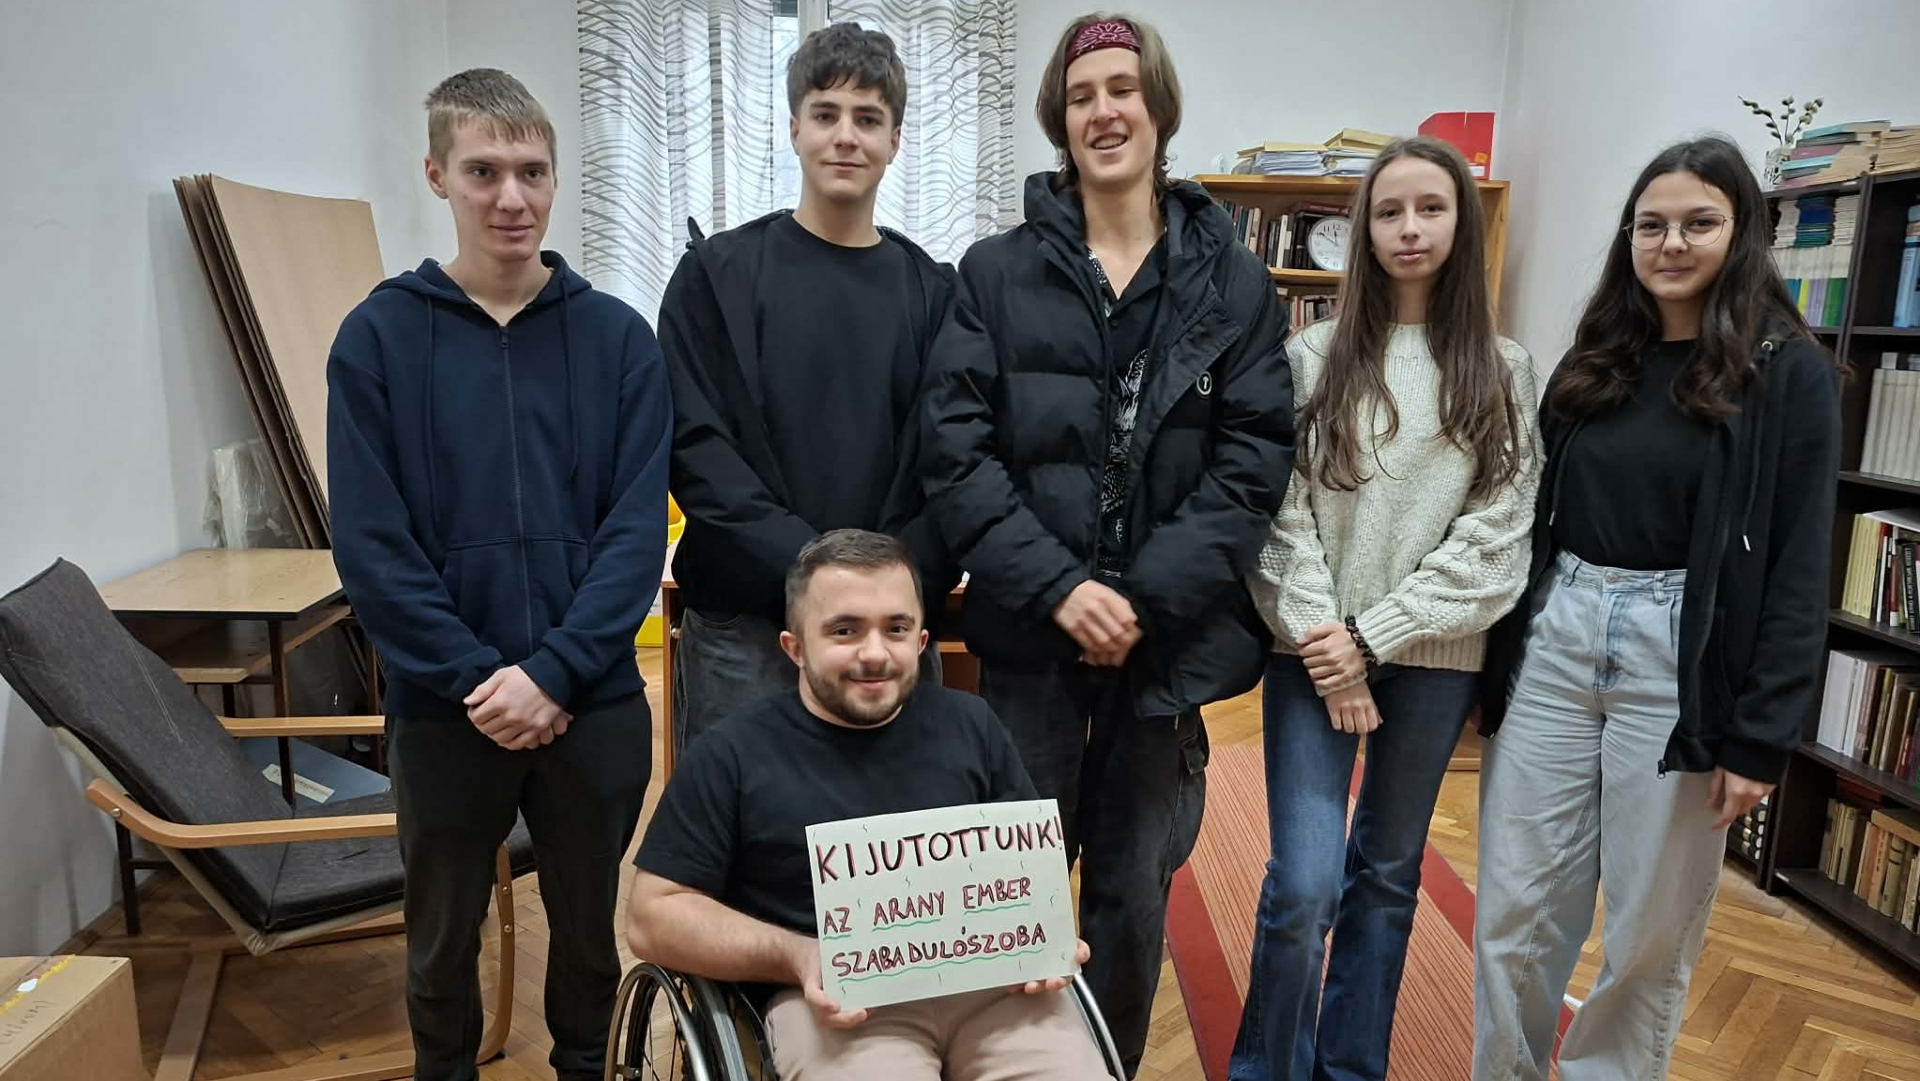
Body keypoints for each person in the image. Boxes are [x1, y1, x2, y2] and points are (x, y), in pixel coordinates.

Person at [920, 13, 1293, 1074]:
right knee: (1013, 897)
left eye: (1122, 89)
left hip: (1165, 652)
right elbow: (957, 453)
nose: (1104, 111)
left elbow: (1252, 463)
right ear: (1060, 120)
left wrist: (1141, 599)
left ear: (1159, 107)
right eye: (1082, 96)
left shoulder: (1235, 282)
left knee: (1131, 903)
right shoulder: (992, 273)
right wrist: (1061, 590)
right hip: (1031, 642)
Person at [1472, 135, 1840, 1081]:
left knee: (1647, 927)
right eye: (1652, 224)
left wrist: (1761, 736)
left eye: (1698, 223)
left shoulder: (1785, 370)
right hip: (1558, 635)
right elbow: (1533, 516)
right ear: (1628, 237)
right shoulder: (1597, 356)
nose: (1671, 243)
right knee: (1516, 907)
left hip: (1682, 660)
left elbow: (1801, 562)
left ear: (1741, 232)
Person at [326, 68, 669, 1081]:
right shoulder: (379, 339)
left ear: (557, 179)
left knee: (590, 935)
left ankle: (585, 1067)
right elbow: (373, 547)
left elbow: (634, 536)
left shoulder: (619, 340)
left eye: (532, 171)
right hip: (445, 707)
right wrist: (481, 678)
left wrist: (555, 673)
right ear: (438, 175)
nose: (511, 197)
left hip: (592, 701)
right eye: (484, 171)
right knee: (438, 942)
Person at [1233, 136, 1540, 1081]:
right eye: (1390, 210)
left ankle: (1351, 1066)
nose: (1410, 228)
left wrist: (1374, 637)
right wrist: (1332, 648)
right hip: (1310, 653)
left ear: (1462, 223)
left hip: (1433, 661)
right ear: (1364, 230)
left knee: (1389, 875)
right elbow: (1278, 517)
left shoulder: (1504, 368)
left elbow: (1500, 535)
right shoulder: (1310, 355)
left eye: (1431, 208)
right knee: (1304, 883)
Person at [627, 529, 1108, 1080]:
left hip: (992, 987)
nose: (875, 653)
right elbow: (652, 917)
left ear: (921, 641)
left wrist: (1043, 934)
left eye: (895, 629)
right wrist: (798, 955)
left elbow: (1028, 876)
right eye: (845, 630)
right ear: (794, 647)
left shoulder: (972, 724)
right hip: (834, 1001)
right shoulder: (732, 754)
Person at [660, 22, 955, 756]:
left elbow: (953, 458)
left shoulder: (936, 295)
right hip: (747, 629)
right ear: (795, 128)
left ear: (895, 140)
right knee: (743, 823)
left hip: (887, 633)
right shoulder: (715, 278)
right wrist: (816, 576)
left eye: (868, 119)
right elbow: (697, 448)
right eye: (826, 114)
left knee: (899, 821)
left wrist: (876, 595)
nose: (845, 137)